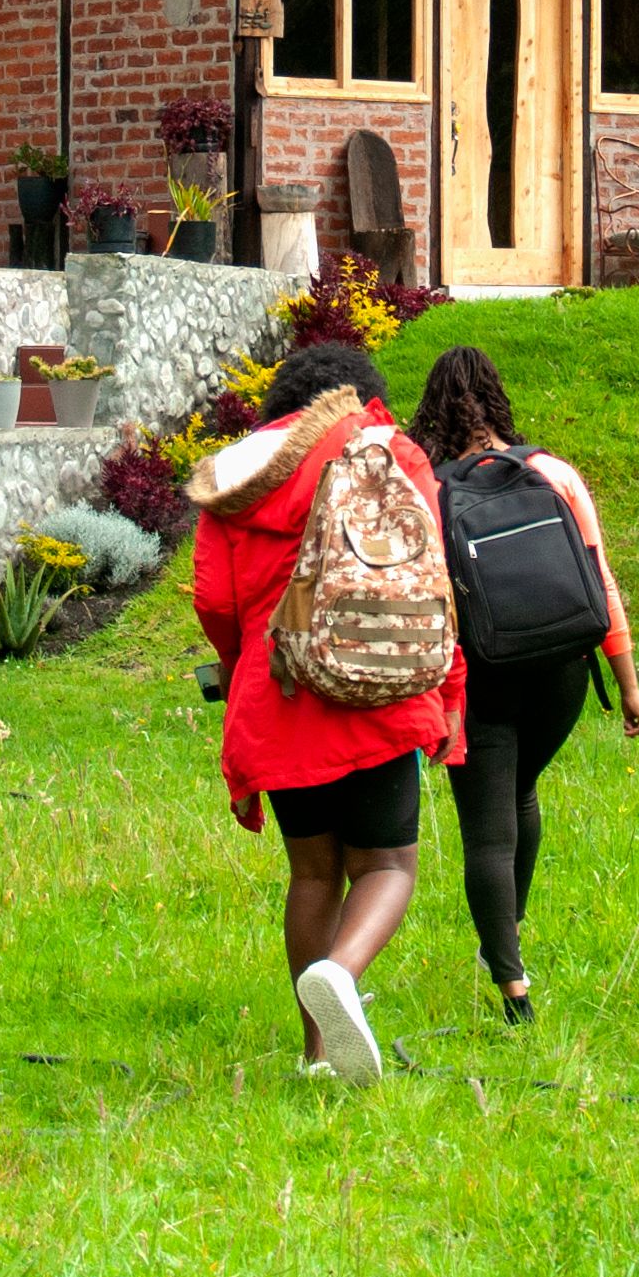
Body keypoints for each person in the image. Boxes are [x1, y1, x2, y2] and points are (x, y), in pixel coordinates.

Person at [189, 341, 458, 1087]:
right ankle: (341, 973)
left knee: (313, 874)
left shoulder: (233, 475)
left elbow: (213, 600)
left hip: (275, 696)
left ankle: (316, 1055)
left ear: (280, 404)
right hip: (378, 688)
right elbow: (434, 580)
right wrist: (451, 691)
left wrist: (243, 662)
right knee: (388, 864)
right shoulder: (389, 451)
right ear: (361, 398)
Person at [407, 345, 639, 1025]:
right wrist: (629, 687)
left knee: (487, 832)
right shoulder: (553, 473)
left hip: (478, 678)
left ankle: (511, 984)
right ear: (498, 397)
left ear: (431, 409)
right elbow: (601, 584)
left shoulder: (428, 490)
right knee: (521, 790)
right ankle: (506, 936)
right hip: (561, 674)